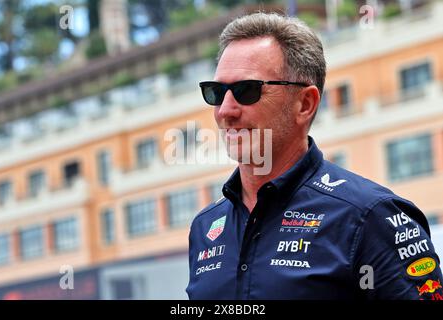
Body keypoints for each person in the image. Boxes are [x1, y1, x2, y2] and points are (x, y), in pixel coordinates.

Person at [186, 12, 443, 300]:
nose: (225, 111)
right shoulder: (205, 227)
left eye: (247, 91)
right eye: (217, 92)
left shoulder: (371, 218)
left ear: (305, 104)